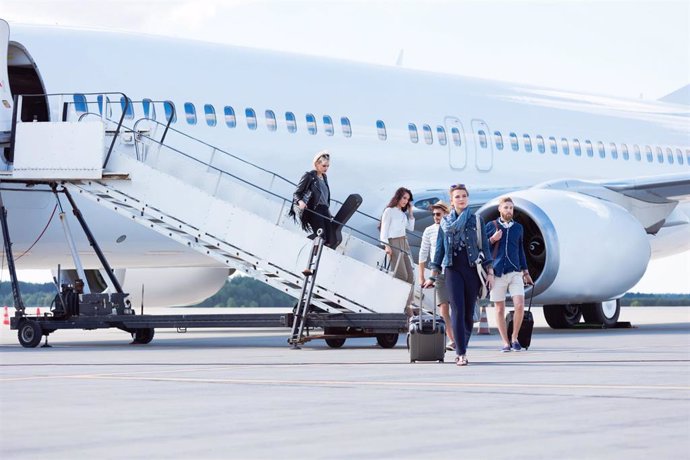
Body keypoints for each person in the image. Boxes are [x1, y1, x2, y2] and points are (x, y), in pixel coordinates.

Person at [424, 184, 494, 366]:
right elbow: (439, 251)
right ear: (452, 200)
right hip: (452, 268)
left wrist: (490, 271)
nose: (461, 199)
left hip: (471, 268)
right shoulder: (445, 223)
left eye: (463, 196)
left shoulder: (476, 220)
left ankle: (463, 343)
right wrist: (433, 275)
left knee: (469, 313)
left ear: (467, 198)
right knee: (457, 309)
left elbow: (484, 247)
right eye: (457, 197)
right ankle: (461, 352)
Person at [486, 196, 533, 352]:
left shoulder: (518, 228)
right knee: (499, 309)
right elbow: (482, 248)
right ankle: (505, 342)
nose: (509, 210)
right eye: (506, 207)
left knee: (520, 305)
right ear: (500, 209)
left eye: (511, 208)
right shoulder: (491, 226)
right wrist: (492, 239)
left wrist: (526, 272)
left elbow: (520, 250)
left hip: (515, 272)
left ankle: (514, 338)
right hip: (497, 272)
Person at [418, 201, 455, 351]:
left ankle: (459, 336)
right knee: (443, 308)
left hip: (453, 271)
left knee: (457, 307)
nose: (435, 217)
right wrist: (422, 276)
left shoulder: (452, 228)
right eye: (433, 214)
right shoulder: (429, 230)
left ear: (445, 214)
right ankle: (452, 339)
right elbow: (423, 253)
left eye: (438, 214)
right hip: (438, 274)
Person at [380, 187, 415, 313]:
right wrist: (386, 245)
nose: (406, 201)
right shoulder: (389, 211)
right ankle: (399, 305)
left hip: (404, 243)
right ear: (398, 197)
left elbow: (410, 228)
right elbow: (384, 230)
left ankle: (408, 305)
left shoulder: (402, 214)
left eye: (408, 199)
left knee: (410, 276)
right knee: (401, 275)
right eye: (404, 198)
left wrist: (410, 213)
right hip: (393, 243)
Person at [290, 150, 333, 246]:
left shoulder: (324, 177)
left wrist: (328, 211)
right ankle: (303, 245)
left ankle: (319, 253)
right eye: (324, 166)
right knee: (322, 237)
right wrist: (300, 202)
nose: (326, 168)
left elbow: (324, 196)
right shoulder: (309, 176)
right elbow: (296, 193)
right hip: (315, 209)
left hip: (324, 210)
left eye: (328, 166)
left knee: (330, 239)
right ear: (317, 164)